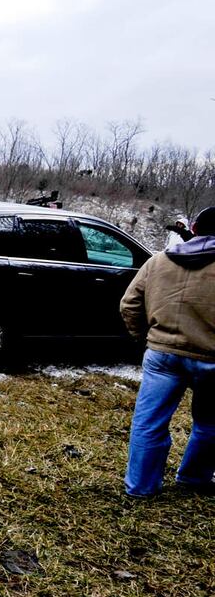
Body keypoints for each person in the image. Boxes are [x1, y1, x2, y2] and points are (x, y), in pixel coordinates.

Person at [119, 205, 215, 498]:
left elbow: (129, 305)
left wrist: (145, 338)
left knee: (148, 423)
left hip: (162, 355)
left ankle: (140, 487)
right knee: (210, 424)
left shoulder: (158, 261)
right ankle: (194, 478)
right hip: (211, 359)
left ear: (194, 228)